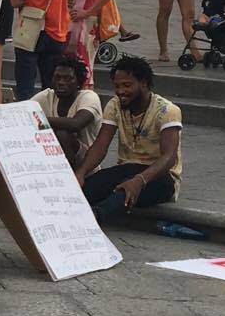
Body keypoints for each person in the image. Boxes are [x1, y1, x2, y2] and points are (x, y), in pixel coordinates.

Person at [74, 57, 182, 221]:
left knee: (125, 191)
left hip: (160, 176)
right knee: (90, 186)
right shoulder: (114, 105)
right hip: (126, 169)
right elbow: (100, 146)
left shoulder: (167, 110)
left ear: (143, 83)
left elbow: (168, 158)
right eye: (117, 86)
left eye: (127, 85)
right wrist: (81, 173)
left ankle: (94, 217)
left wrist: (139, 180)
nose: (120, 91)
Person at [35, 55, 102, 164]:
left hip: (85, 163)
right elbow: (23, 113)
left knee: (62, 134)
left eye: (67, 78)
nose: (61, 82)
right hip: (52, 160)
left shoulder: (89, 97)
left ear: (78, 82)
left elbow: (76, 124)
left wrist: (37, 119)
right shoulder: (47, 96)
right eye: (57, 77)